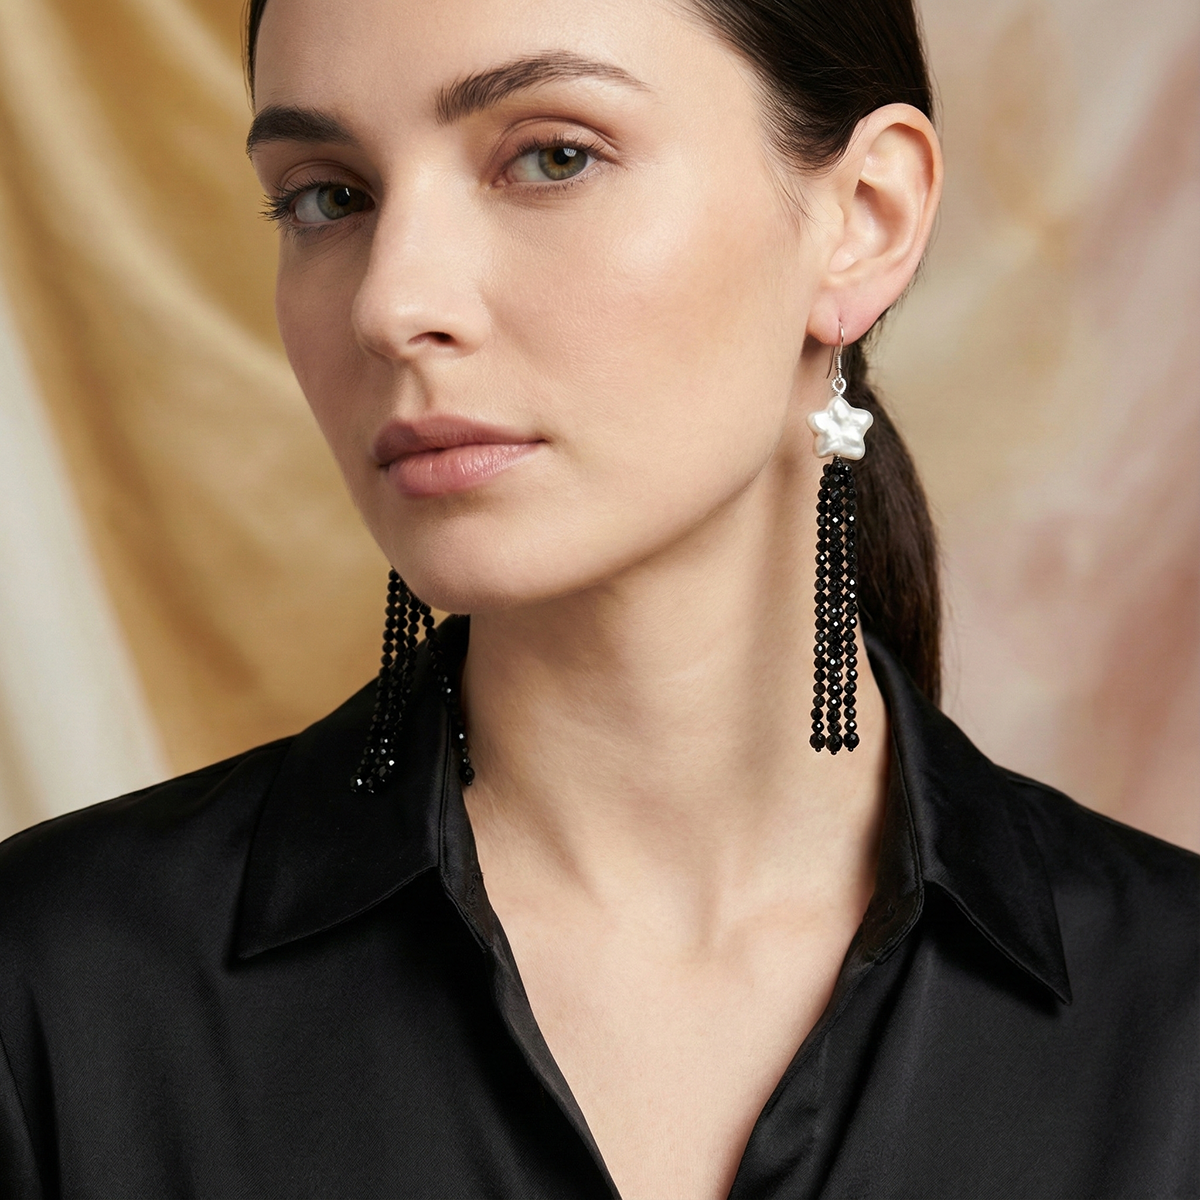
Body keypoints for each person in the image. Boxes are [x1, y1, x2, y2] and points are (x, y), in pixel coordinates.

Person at [0, 0, 1195, 1196]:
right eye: (329, 194)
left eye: (552, 156)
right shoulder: (57, 989)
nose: (390, 303)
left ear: (864, 221)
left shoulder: (1170, 1017)